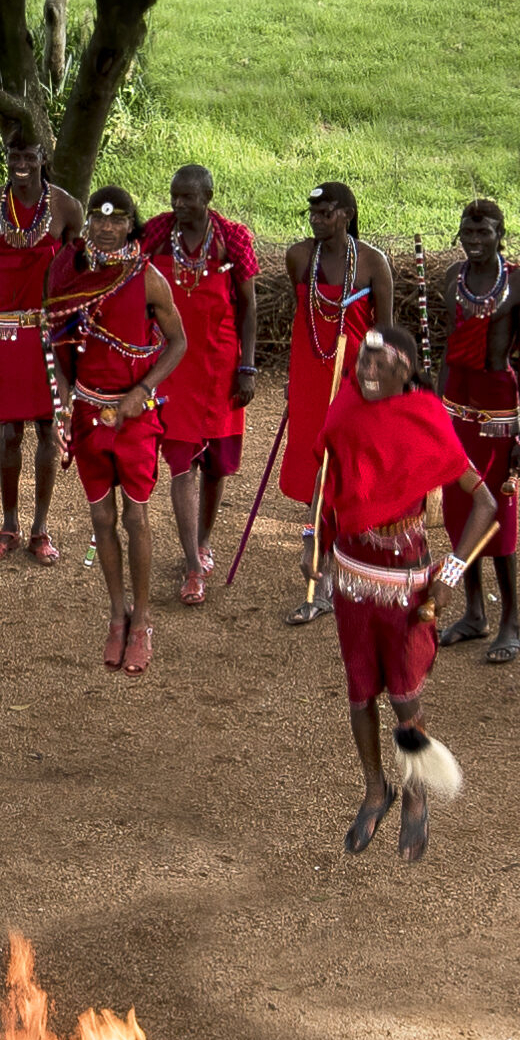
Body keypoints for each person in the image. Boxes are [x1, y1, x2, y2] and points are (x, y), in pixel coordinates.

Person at [311, 317, 497, 857]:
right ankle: (376, 788)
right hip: (351, 572)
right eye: (362, 362)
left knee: (405, 695)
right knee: (359, 692)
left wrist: (451, 577)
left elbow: (485, 505)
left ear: (405, 369)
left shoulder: (425, 419)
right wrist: (312, 540)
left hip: (406, 581)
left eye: (378, 364)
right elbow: (327, 478)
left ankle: (417, 793)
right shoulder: (344, 408)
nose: (366, 371)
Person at [59, 179, 191, 676]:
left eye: (118, 219)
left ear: (131, 224)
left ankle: (144, 622)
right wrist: (63, 400)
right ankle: (117, 616)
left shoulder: (149, 278)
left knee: (135, 518)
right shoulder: (74, 274)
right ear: (89, 223)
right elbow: (59, 340)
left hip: (135, 417)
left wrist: (142, 391)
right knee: (100, 520)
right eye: (99, 218)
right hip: (89, 413)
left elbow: (178, 343)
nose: (108, 227)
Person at [263, 180, 395, 626]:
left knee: (348, 472)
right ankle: (321, 581)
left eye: (326, 213)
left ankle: (344, 571)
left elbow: (385, 335)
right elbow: (305, 320)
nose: (317, 220)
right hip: (310, 379)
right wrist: (292, 382)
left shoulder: (374, 263)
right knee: (315, 465)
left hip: (357, 383)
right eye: (313, 214)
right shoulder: (299, 257)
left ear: (347, 213)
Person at [425, 196, 520, 668]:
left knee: (499, 514)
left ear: (500, 234)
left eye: (484, 233)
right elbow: (447, 348)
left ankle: (510, 619)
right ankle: (474, 612)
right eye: (468, 234)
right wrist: (433, 414)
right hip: (455, 400)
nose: (475, 242)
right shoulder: (450, 280)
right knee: (459, 510)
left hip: (497, 406)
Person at [143, 162, 261, 604]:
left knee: (215, 465)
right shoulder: (154, 233)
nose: (179, 204)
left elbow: (248, 306)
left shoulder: (234, 238)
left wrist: (246, 367)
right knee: (181, 464)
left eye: (188, 197)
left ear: (207, 197)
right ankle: (193, 565)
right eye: (174, 196)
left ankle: (204, 538)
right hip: (173, 365)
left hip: (220, 364)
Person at [0, 127, 77, 565]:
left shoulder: (67, 207)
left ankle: (41, 529)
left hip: (49, 332)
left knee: (48, 430)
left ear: (41, 157)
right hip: (5, 333)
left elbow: (76, 279)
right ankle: (9, 525)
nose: (20, 164)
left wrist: (73, 341)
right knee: (9, 431)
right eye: (13, 154)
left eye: (29, 156)